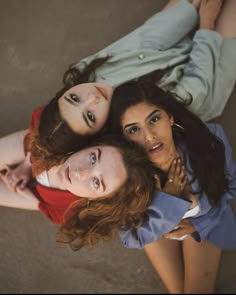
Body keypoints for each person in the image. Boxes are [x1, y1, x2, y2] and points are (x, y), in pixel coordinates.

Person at [107, 80, 236, 293]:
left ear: (170, 117)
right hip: (159, 231)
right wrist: (166, 200)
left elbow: (230, 187)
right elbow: (132, 237)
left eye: (154, 119)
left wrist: (200, 226)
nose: (149, 136)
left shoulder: (210, 140)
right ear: (123, 138)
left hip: (205, 222)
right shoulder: (124, 177)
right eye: (133, 130)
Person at [0, 132, 160, 250]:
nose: (79, 172)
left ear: (99, 199)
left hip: (37, 193)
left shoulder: (71, 210)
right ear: (92, 145)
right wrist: (27, 165)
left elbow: (47, 209)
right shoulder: (64, 138)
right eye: (93, 158)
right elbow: (41, 127)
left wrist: (22, 192)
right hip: (32, 147)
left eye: (96, 182)